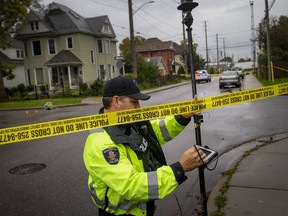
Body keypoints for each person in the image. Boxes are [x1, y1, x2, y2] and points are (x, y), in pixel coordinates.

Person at [83, 76, 207, 216]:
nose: (138, 108)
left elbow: (158, 131)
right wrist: (180, 168)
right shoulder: (101, 142)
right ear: (116, 101)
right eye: (134, 102)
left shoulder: (130, 124)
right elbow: (133, 186)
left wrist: (183, 115)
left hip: (142, 209)